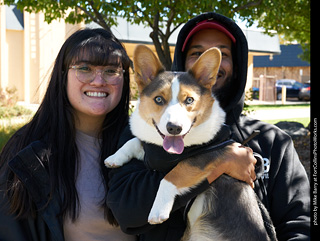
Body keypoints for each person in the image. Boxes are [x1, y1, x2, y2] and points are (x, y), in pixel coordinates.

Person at [107, 12, 310, 241]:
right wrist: (220, 163)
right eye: (196, 53)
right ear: (183, 61)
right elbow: (124, 211)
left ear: (238, 63)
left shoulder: (274, 142)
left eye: (223, 54)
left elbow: (300, 223)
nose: (208, 60)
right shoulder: (143, 134)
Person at [0, 28, 137, 241]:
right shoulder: (27, 152)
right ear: (63, 75)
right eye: (85, 68)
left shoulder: (142, 144)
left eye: (111, 71)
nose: (99, 81)